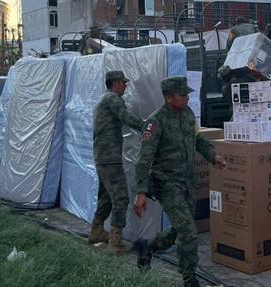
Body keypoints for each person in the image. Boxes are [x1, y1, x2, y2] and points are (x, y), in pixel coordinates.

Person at [133, 77, 226, 287]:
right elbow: (144, 159)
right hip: (167, 184)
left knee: (179, 230)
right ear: (168, 98)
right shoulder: (155, 121)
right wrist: (140, 192)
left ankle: (148, 247)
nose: (186, 98)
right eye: (182, 95)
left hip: (188, 182)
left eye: (187, 94)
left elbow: (198, 140)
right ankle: (189, 279)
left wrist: (213, 156)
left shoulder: (188, 114)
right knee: (189, 233)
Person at [90, 70, 145, 254]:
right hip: (110, 158)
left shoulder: (103, 99)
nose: (125, 85)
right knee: (121, 199)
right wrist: (147, 126)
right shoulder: (113, 99)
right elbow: (126, 117)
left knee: (106, 197)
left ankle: (96, 231)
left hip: (103, 156)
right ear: (115, 83)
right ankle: (115, 242)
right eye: (123, 82)